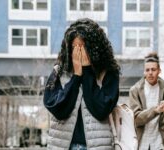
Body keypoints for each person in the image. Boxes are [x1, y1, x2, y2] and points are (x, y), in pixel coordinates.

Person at [43, 18, 120, 150]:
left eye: (82, 47)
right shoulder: (59, 71)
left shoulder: (109, 73)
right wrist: (76, 77)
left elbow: (101, 110)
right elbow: (57, 108)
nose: (78, 52)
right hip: (62, 145)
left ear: (94, 48)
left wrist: (87, 72)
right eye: (74, 47)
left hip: (97, 146)